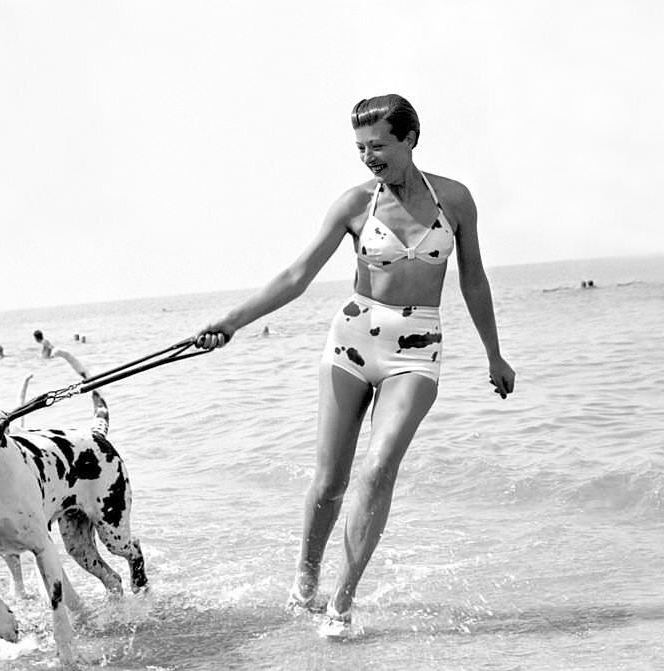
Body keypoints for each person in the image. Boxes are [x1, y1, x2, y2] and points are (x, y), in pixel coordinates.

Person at [196, 94, 515, 638]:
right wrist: (231, 322)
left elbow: (474, 280)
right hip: (350, 344)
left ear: (410, 138)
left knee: (379, 467)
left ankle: (341, 601)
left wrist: (494, 352)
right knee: (329, 483)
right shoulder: (353, 205)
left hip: (416, 351)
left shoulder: (455, 202)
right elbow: (297, 276)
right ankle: (306, 577)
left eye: (379, 145)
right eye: (361, 148)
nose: (369, 157)